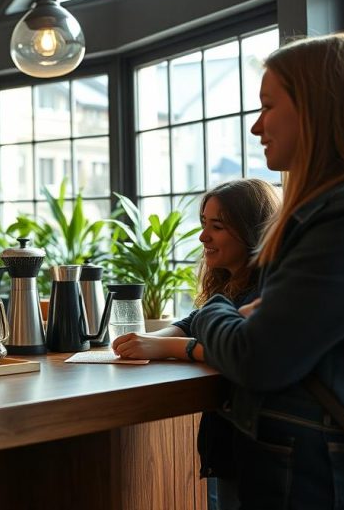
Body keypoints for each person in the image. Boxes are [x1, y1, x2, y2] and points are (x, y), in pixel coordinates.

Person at [187, 33, 344, 509]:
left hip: (314, 477)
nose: (256, 127)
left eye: (267, 105)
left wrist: (215, 310)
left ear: (317, 107)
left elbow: (256, 356)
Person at [113, 178, 280, 509]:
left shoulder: (269, 288)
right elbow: (195, 321)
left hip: (256, 444)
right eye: (204, 224)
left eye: (216, 227)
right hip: (230, 444)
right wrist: (148, 339)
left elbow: (241, 349)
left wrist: (165, 347)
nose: (204, 236)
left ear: (251, 231)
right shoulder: (231, 283)